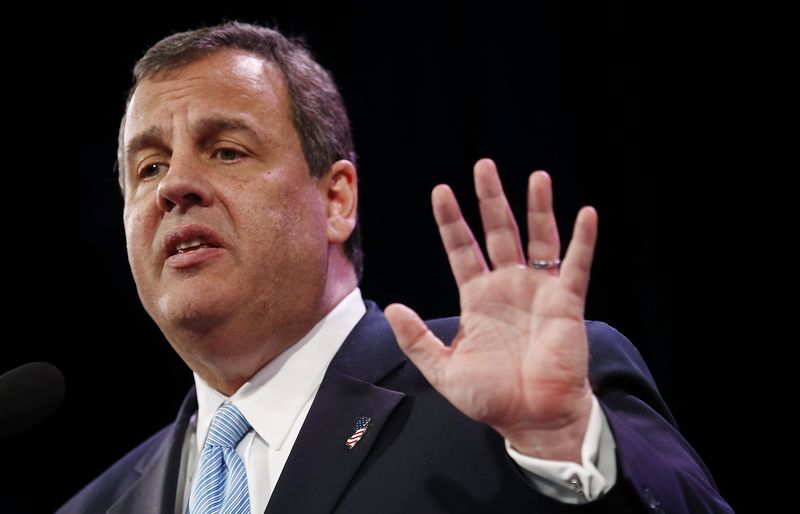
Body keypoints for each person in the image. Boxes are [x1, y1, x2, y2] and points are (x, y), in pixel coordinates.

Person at [57, 21, 732, 514]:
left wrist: (564, 445)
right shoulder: (98, 505)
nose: (175, 185)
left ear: (336, 198)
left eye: (226, 151)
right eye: (148, 168)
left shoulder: (515, 400)